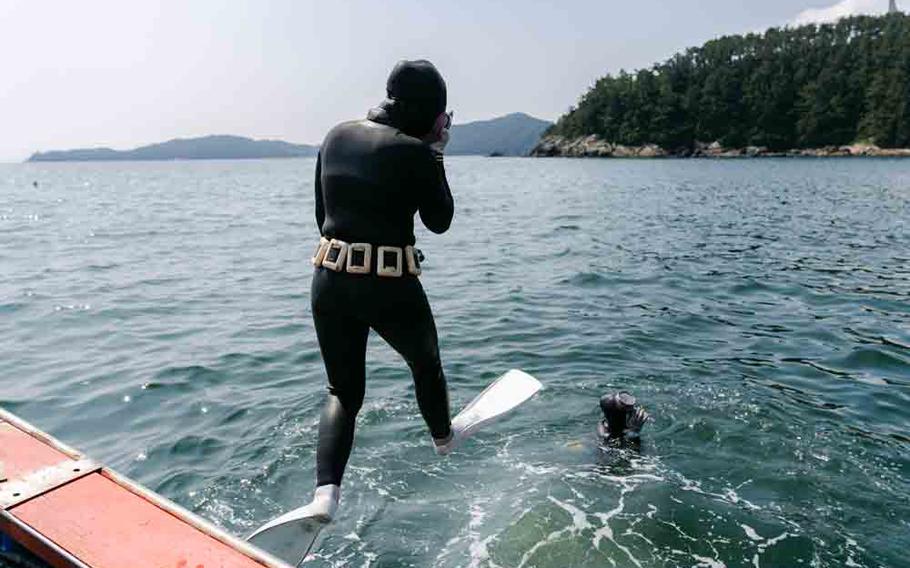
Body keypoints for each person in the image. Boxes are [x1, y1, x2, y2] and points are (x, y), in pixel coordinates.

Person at [305, 60, 455, 521]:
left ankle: (324, 495)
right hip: (389, 284)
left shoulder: (335, 137)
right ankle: (445, 439)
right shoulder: (414, 151)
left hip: (329, 279)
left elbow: (320, 215)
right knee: (425, 363)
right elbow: (440, 220)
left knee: (343, 392)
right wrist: (437, 151)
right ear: (432, 113)